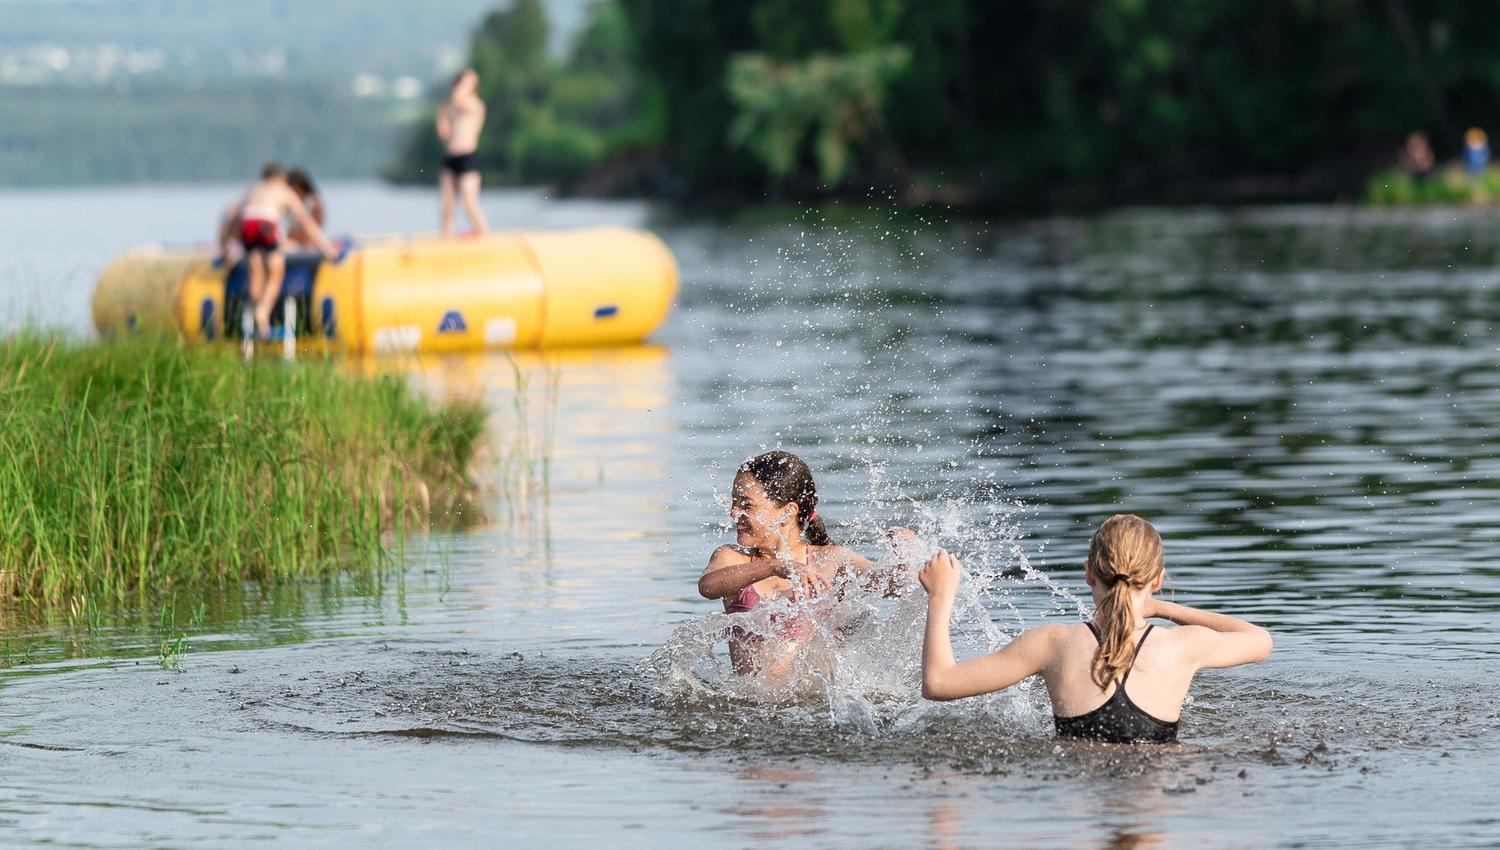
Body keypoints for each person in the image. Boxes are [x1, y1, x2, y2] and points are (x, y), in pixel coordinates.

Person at [918, 514, 1272, 743]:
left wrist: (941, 595)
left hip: (1078, 805)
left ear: (1088, 573)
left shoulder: (1053, 643)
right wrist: (1160, 607)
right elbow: (1260, 641)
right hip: (1160, 798)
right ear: (1158, 580)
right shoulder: (1182, 646)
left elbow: (939, 683)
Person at [697, 451, 899, 677]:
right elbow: (708, 587)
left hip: (813, 707)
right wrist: (775, 567)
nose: (734, 512)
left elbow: (893, 584)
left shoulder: (831, 560)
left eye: (746, 504)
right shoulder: (732, 557)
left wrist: (906, 555)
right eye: (734, 502)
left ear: (787, 512)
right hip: (748, 707)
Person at [218, 163, 337, 342]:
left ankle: (257, 317)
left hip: (248, 223)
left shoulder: (254, 189)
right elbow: (305, 220)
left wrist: (225, 244)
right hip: (266, 223)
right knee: (276, 267)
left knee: (255, 266)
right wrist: (327, 248)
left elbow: (234, 217)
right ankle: (263, 311)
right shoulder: (283, 190)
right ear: (280, 179)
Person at [436, 68, 489, 238]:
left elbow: (459, 99)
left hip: (467, 157)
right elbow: (443, 134)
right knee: (447, 205)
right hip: (451, 157)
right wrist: (442, 115)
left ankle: (483, 233)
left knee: (469, 203)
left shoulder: (475, 104)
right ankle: (447, 238)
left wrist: (457, 92)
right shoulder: (450, 108)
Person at [284, 168, 325, 251]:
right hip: (292, 241)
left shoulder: (314, 202)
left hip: (308, 243)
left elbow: (314, 231)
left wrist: (291, 235)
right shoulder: (289, 202)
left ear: (300, 187)